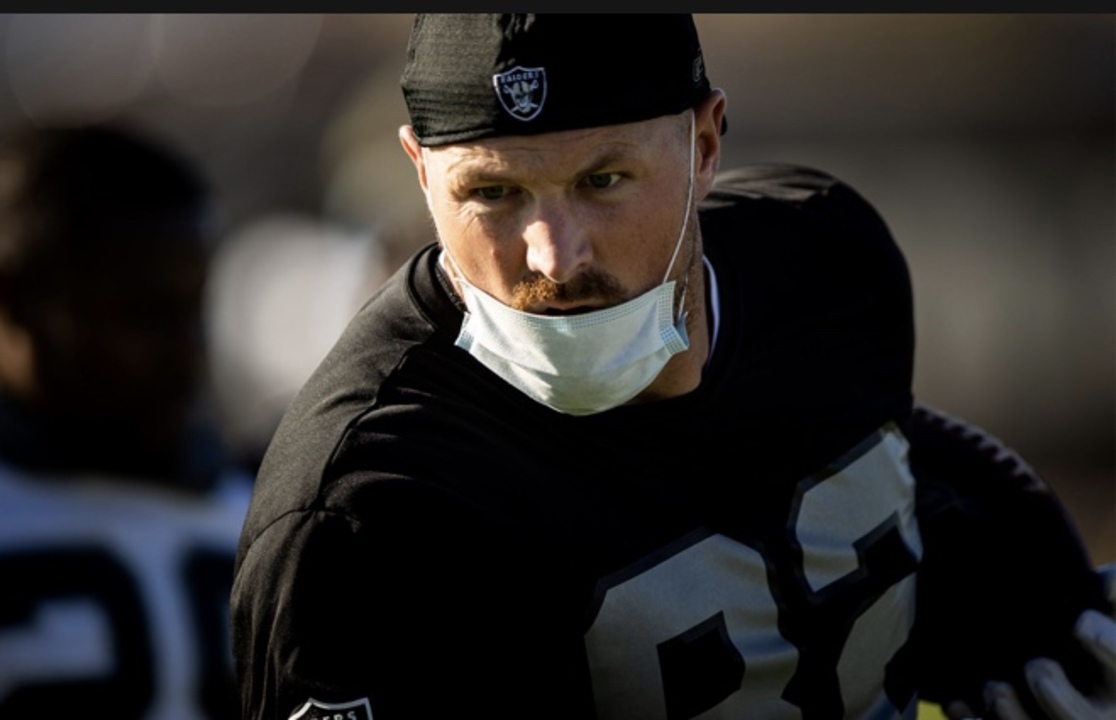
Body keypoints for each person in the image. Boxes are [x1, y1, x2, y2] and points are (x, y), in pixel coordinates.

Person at [231, 14, 1114, 720]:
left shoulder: (824, 269)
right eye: (492, 193)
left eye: (604, 180)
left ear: (705, 144)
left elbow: (897, 489)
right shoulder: (367, 509)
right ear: (421, 174)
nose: (554, 256)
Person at [0, 122, 252, 719]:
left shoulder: (261, 515)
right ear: (17, 302)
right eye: (141, 314)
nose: (186, 349)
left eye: (192, 310)